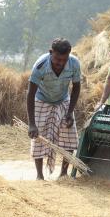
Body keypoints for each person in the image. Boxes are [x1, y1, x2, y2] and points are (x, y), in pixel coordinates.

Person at [27, 38, 81, 180]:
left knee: (69, 136)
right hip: (41, 99)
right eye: (57, 59)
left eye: (64, 60)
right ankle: (40, 176)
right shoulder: (40, 65)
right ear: (51, 52)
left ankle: (63, 175)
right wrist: (32, 124)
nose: (60, 63)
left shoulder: (74, 64)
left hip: (63, 100)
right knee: (38, 137)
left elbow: (76, 88)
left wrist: (69, 112)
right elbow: (30, 94)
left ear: (69, 55)